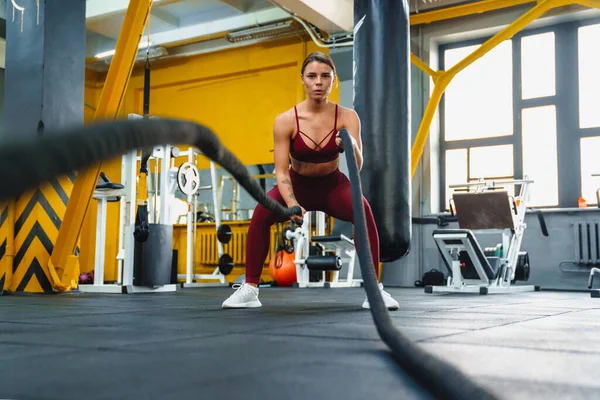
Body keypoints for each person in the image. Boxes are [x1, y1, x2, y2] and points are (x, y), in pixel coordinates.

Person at [222, 52, 399, 310]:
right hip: (296, 185)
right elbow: (281, 172)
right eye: (312, 76)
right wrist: (292, 203)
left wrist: (350, 146)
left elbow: (357, 167)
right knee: (262, 212)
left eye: (325, 76)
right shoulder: (285, 120)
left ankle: (374, 290)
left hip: (333, 186)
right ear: (303, 80)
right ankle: (250, 288)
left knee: (364, 211)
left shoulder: (348, 117)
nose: (318, 82)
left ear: (333, 81)